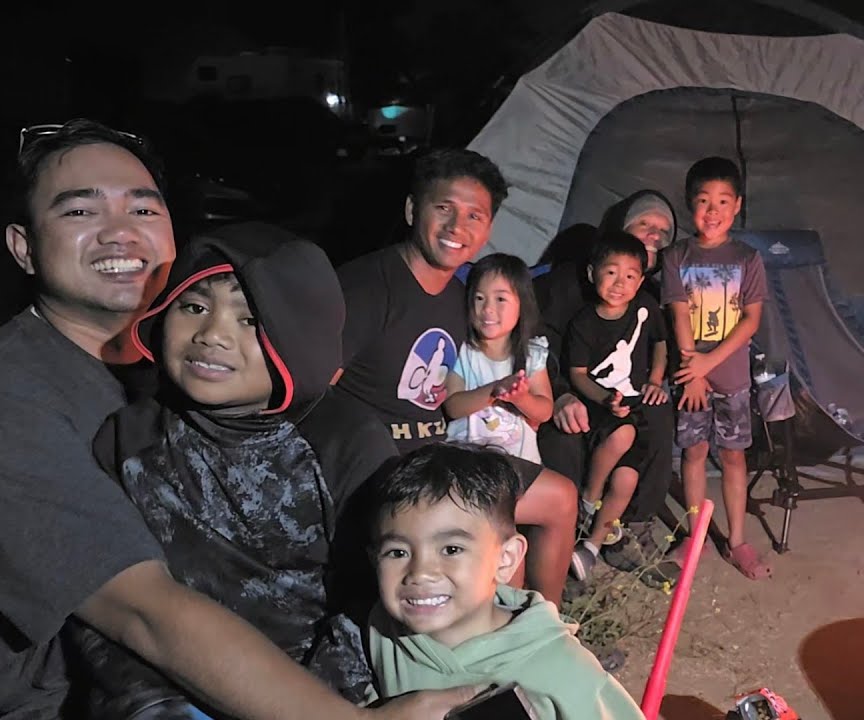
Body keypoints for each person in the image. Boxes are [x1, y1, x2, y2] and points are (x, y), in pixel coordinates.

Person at [0, 120, 458, 719]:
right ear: (23, 246)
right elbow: (142, 611)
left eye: (143, 208)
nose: (120, 233)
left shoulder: (185, 370)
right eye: (80, 213)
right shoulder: (17, 396)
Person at [73, 223, 397, 716]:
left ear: (301, 334)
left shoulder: (346, 442)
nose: (212, 335)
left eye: (250, 320)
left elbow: (374, 602)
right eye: (195, 307)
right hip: (160, 686)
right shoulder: (131, 437)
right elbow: (107, 601)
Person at [333, 148, 575, 606]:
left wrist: (556, 397)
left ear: (486, 230)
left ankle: (547, 630)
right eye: (443, 208)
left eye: (474, 216)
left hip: (449, 454)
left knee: (560, 498)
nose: (456, 227)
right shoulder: (365, 289)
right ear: (411, 210)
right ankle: (504, 632)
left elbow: (501, 358)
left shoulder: (462, 297)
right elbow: (313, 391)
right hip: (390, 469)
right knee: (501, 545)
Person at [365, 443, 645, 720]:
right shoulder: (381, 628)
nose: (419, 572)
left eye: (451, 549)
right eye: (397, 552)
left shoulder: (566, 672)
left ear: (506, 559)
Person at [537, 191, 679, 572]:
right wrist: (561, 394)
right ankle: (560, 543)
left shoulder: (645, 297)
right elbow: (537, 341)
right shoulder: (567, 281)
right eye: (645, 225)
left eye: (663, 233)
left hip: (617, 398)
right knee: (566, 434)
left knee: (658, 415)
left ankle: (629, 527)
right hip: (565, 390)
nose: (654, 236)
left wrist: (655, 381)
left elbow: (657, 346)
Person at [661, 157, 771, 580]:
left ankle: (738, 540)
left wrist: (709, 363)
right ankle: (696, 534)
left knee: (733, 456)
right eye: (704, 201)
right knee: (693, 452)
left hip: (731, 375)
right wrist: (695, 369)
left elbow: (751, 320)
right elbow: (679, 314)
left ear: (738, 205)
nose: (713, 211)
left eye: (723, 201)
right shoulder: (677, 256)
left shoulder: (747, 258)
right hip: (691, 376)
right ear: (691, 205)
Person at [564, 232, 669, 579]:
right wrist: (602, 399)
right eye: (611, 273)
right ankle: (589, 498)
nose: (619, 283)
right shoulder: (583, 322)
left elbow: (660, 344)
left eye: (629, 276)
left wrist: (655, 380)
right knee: (622, 436)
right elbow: (577, 374)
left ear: (640, 280)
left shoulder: (645, 309)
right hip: (598, 405)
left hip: (634, 406)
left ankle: (591, 547)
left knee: (625, 480)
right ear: (593, 273)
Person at [445, 253, 552, 463]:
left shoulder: (532, 354)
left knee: (563, 492)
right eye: (479, 298)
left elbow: (545, 411)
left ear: (522, 305)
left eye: (500, 299)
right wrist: (496, 388)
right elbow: (453, 406)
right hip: (467, 457)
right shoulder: (463, 350)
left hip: (518, 461)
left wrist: (521, 398)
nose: (487, 309)